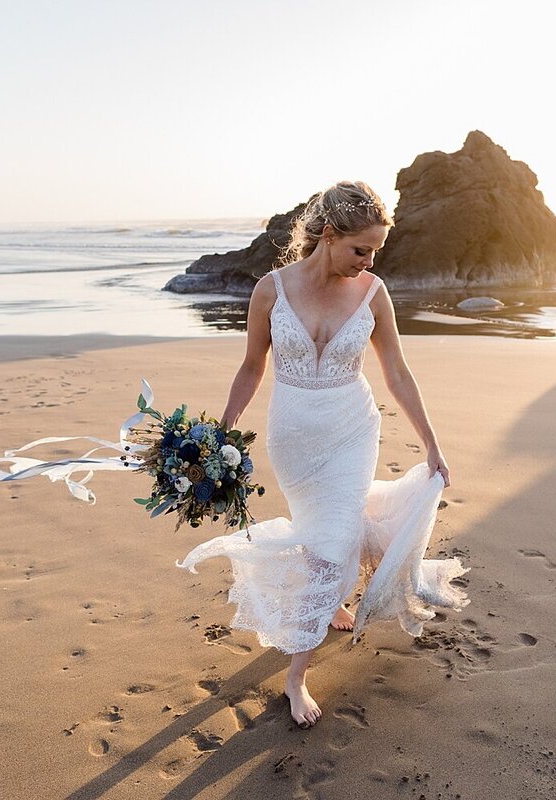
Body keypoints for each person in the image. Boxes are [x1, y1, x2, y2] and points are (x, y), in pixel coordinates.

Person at [178, 180, 468, 728]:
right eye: (362, 249)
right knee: (320, 536)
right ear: (329, 235)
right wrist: (222, 431)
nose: (369, 260)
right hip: (293, 435)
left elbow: (398, 374)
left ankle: (294, 678)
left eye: (375, 251)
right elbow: (251, 367)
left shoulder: (373, 292)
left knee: (333, 539)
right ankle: (331, 600)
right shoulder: (270, 289)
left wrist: (432, 444)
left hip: (352, 428)